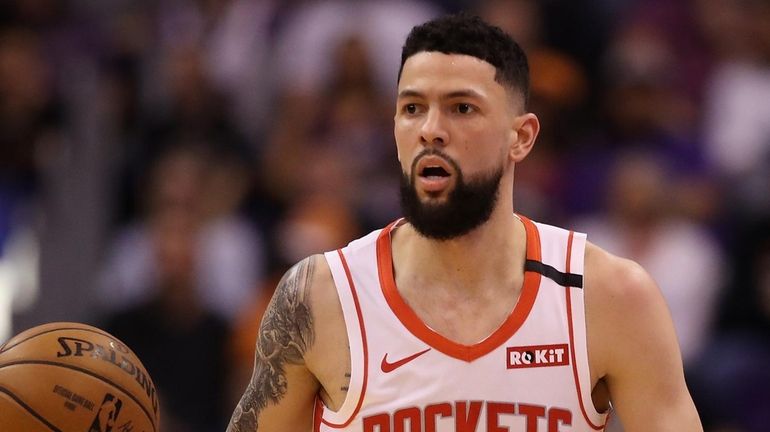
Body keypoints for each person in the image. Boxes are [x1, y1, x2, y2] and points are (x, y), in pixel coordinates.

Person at [227, 13, 703, 431]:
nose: (431, 128)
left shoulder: (608, 296)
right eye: (412, 108)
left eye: (461, 108)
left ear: (521, 137)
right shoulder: (319, 297)